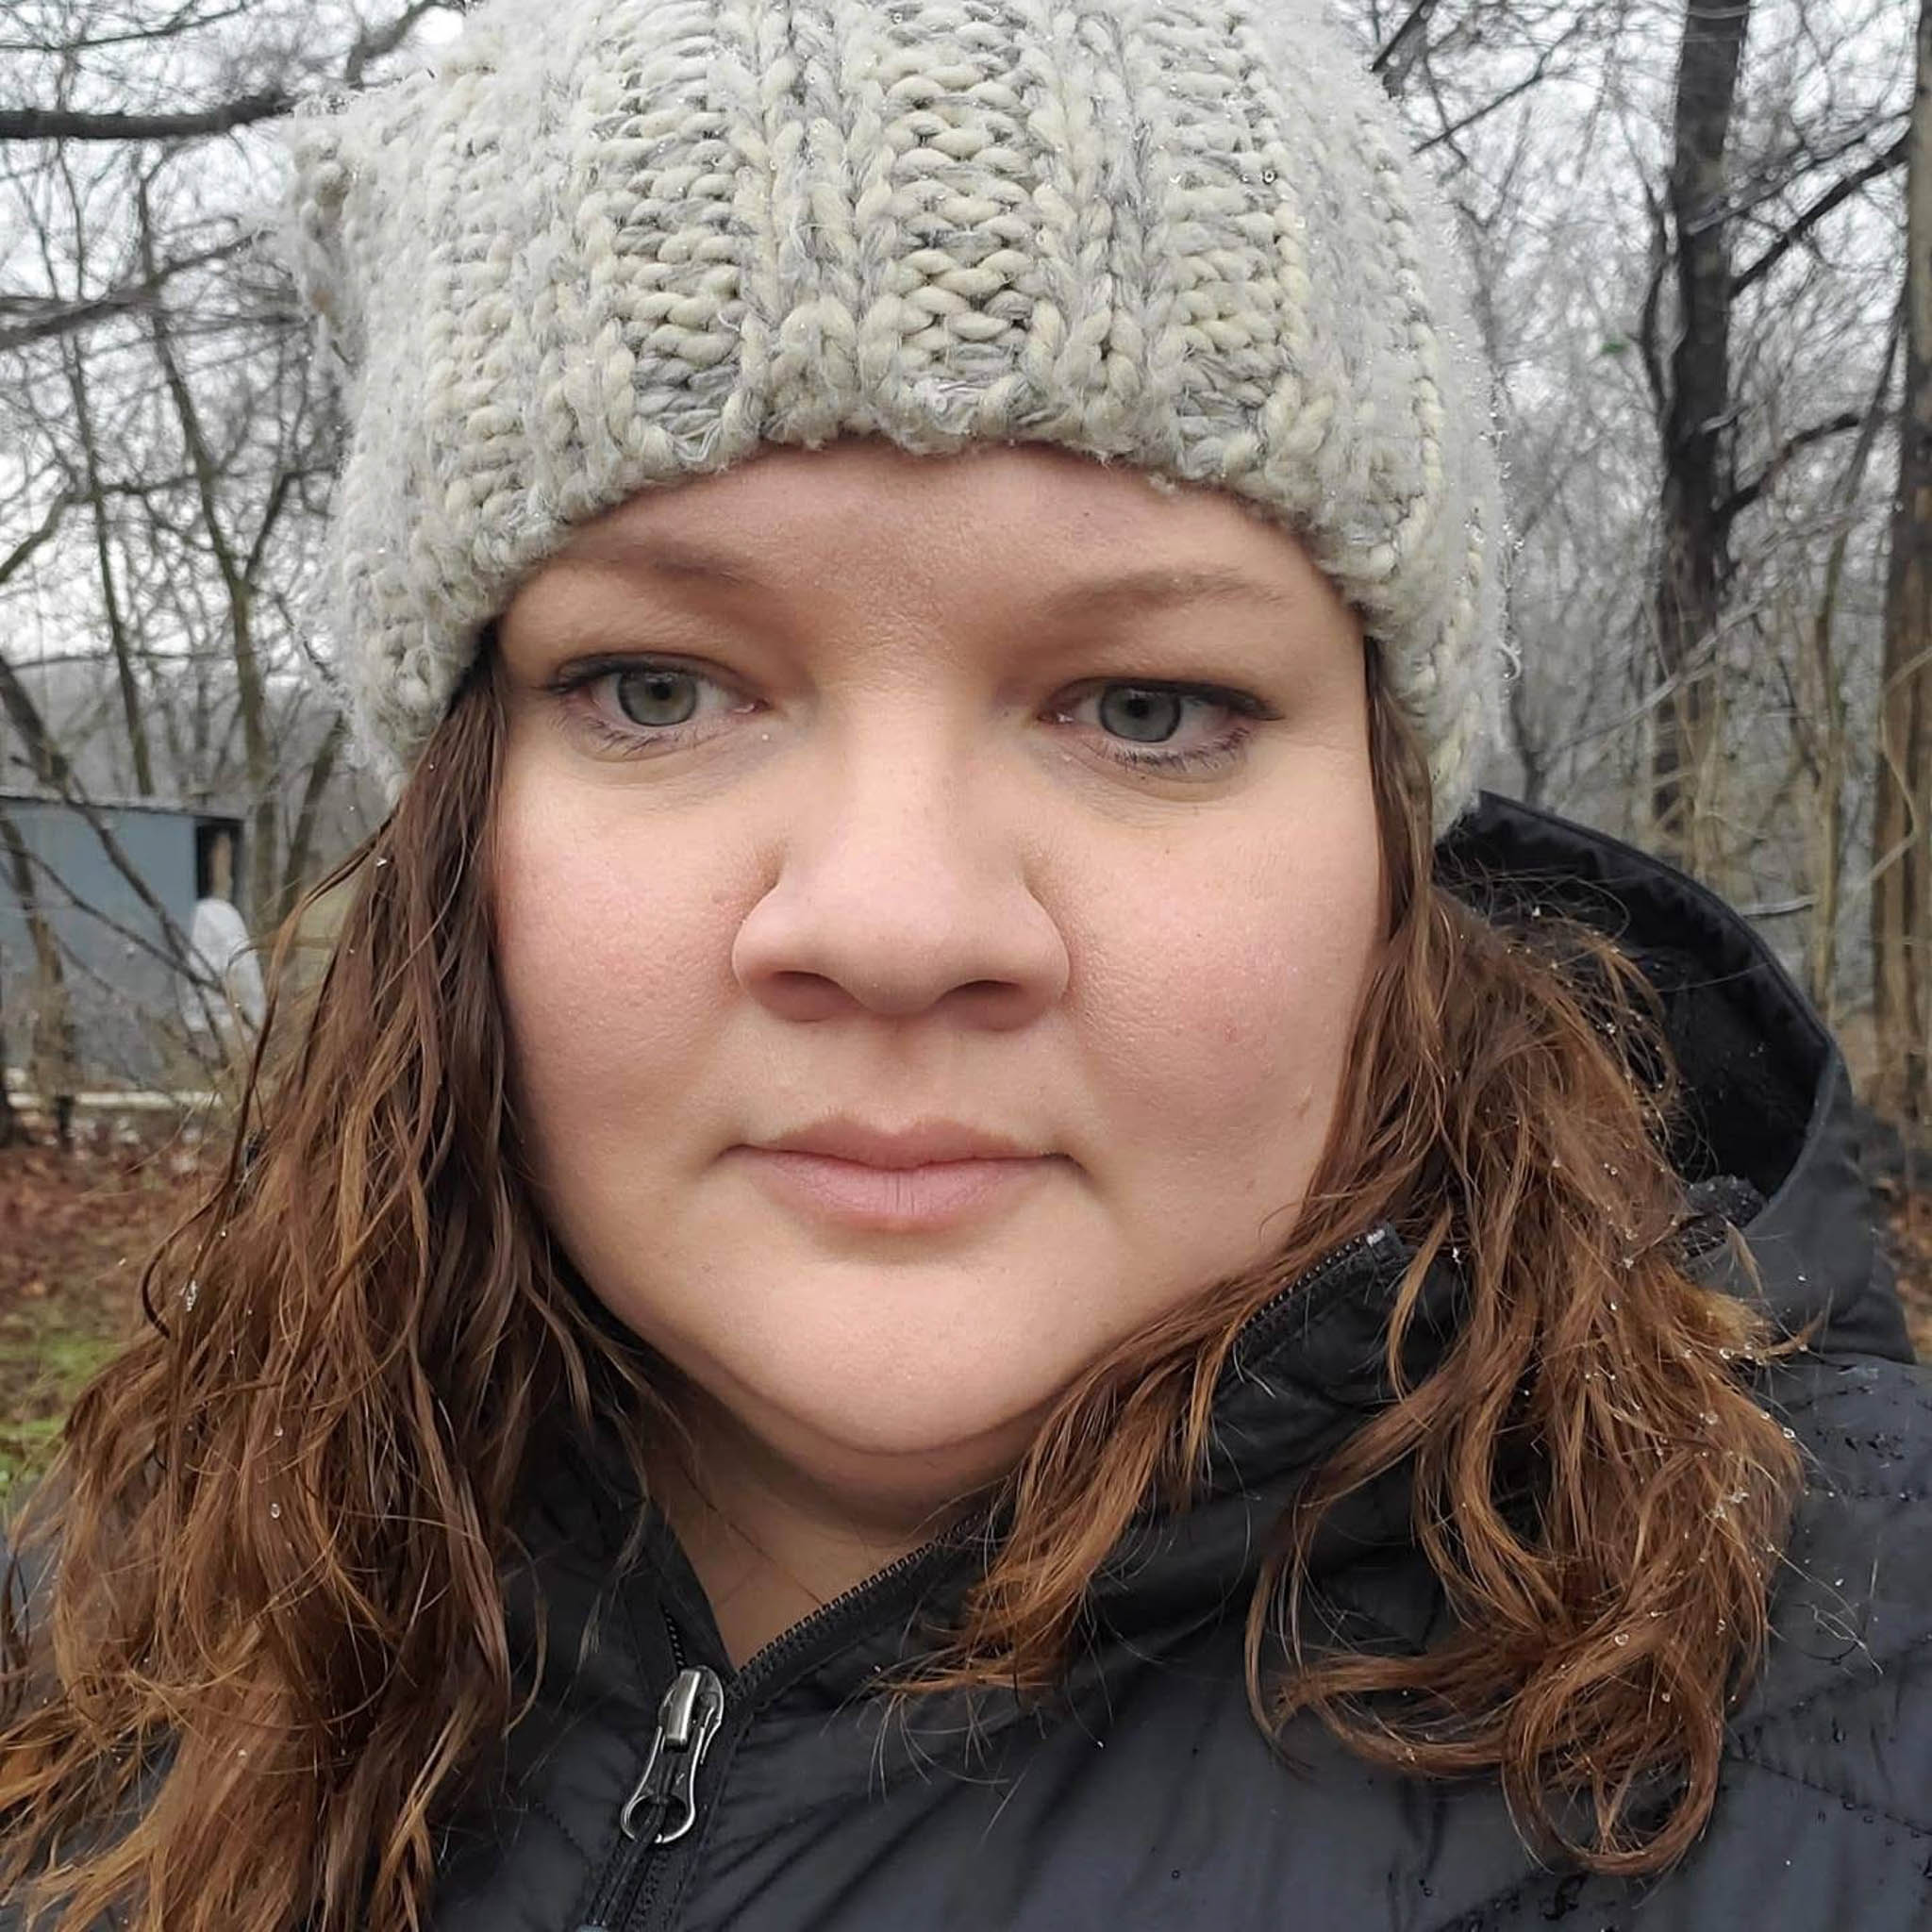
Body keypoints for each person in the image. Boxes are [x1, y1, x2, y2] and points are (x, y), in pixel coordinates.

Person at [3, 2, 1927, 1927]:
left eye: (1149, 704)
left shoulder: (1854, 1737)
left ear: (1392, 833)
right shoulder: (106, 1648)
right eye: (658, 688)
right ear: (457, 829)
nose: (894, 923)